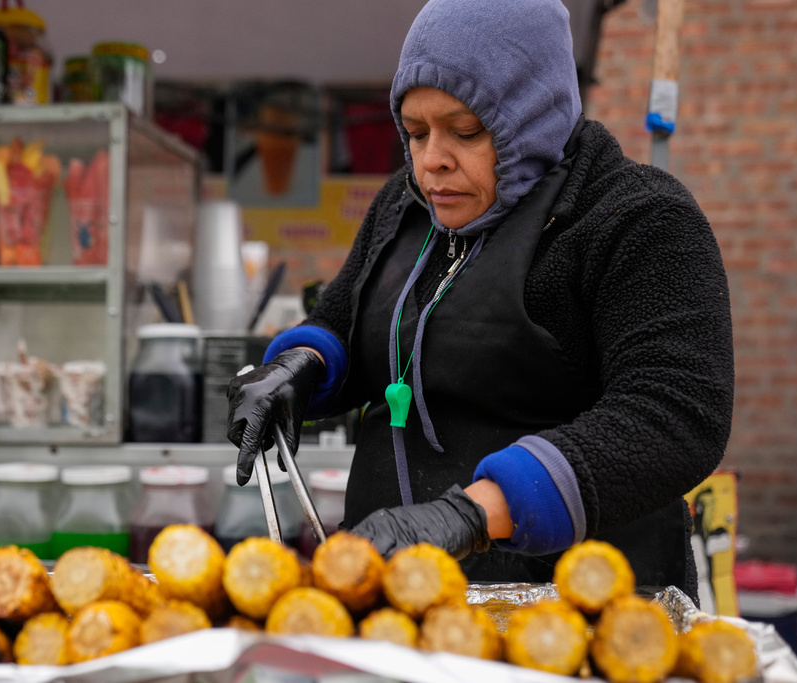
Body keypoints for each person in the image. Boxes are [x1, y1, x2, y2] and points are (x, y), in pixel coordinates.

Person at [226, 0, 733, 601]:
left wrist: (471, 515)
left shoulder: (635, 218)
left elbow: (675, 414)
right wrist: (299, 367)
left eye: (465, 131)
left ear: (531, 116)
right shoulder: (407, 205)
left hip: (575, 606)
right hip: (394, 593)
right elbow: (346, 317)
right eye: (415, 133)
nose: (431, 159)